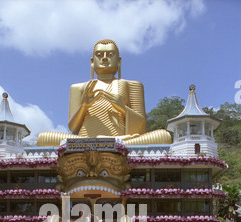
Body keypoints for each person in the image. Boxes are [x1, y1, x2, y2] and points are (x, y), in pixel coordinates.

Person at [37, 39, 171, 147]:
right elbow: (73, 126)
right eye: (99, 55)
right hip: (84, 141)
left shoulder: (132, 85)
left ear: (119, 61)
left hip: (121, 140)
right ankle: (103, 143)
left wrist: (123, 108)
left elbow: (141, 129)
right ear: (92, 61)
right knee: (43, 138)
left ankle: (110, 142)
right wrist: (84, 106)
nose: (105, 58)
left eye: (110, 55)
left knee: (163, 136)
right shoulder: (79, 88)